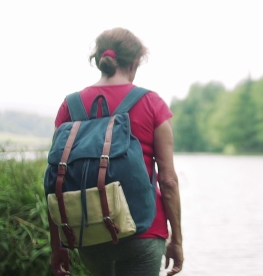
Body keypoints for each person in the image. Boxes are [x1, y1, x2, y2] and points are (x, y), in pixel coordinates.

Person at [48, 27, 184, 276]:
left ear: (98, 60)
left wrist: (58, 243)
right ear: (134, 63)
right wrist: (177, 239)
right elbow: (168, 181)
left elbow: (56, 177)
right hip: (144, 230)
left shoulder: (70, 105)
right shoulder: (152, 103)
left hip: (88, 231)